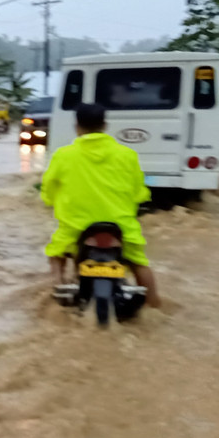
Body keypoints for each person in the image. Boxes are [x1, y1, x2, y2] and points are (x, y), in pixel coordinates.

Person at [41, 102, 161, 307]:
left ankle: (57, 293)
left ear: (76, 127)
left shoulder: (63, 155)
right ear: (105, 126)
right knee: (138, 263)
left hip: (75, 228)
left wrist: (49, 200)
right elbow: (139, 192)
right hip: (120, 229)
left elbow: (49, 188)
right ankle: (155, 307)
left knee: (56, 254)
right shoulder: (127, 155)